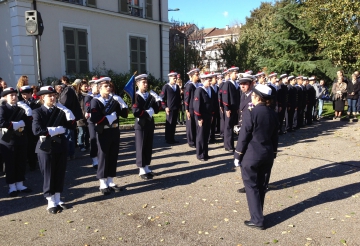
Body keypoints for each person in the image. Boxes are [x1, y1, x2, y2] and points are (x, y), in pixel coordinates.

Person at [234, 84, 278, 230]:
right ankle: (259, 214)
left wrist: (237, 154)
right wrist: (274, 152)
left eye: (253, 95)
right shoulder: (272, 113)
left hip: (251, 155)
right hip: (267, 154)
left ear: (257, 97)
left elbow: (244, 136)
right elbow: (275, 136)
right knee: (261, 186)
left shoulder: (251, 112)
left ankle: (257, 220)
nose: (251, 96)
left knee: (252, 186)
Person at [32, 86, 76, 214]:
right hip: (46, 148)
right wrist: (55, 130)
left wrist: (68, 112)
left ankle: (58, 199)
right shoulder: (38, 111)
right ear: (42, 98)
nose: (52, 98)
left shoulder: (60, 110)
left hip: (60, 146)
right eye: (49, 96)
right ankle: (50, 201)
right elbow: (36, 130)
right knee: (49, 174)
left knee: (59, 173)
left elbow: (72, 126)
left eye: (54, 95)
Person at [90, 77, 128, 195]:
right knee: (103, 156)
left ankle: (111, 181)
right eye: (106, 86)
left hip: (114, 131)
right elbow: (95, 118)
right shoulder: (95, 101)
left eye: (109, 86)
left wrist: (123, 104)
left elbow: (124, 115)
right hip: (104, 132)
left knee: (113, 155)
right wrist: (107, 118)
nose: (109, 88)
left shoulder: (114, 100)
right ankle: (102, 182)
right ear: (100, 88)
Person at [0, 87, 32, 197]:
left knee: (21, 162)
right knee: (10, 164)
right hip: (9, 141)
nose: (14, 97)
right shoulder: (3, 108)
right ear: (5, 97)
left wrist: (28, 115)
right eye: (11, 95)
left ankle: (20, 184)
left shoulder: (20, 108)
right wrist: (15, 124)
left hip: (21, 139)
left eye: (15, 95)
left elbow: (28, 122)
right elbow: (1, 122)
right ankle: (12, 186)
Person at [132, 74, 161, 180]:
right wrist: (148, 112)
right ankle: (141, 169)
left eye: (146, 82)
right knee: (141, 147)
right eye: (143, 82)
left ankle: (147, 167)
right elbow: (136, 111)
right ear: (137, 84)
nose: (146, 84)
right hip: (141, 125)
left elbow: (157, 109)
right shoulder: (135, 96)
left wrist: (157, 100)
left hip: (149, 124)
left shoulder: (149, 95)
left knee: (148, 146)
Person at [52, 79, 82, 160]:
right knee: (69, 135)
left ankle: (69, 154)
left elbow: (64, 103)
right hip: (68, 117)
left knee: (68, 136)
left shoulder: (67, 90)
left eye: (55, 89)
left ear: (58, 87)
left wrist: (56, 102)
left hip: (68, 117)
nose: (56, 91)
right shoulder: (66, 90)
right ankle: (70, 153)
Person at [19, 85, 41, 171]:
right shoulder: (20, 103)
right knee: (26, 146)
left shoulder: (36, 103)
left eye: (25, 94)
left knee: (33, 145)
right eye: (22, 94)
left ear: (30, 93)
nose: (24, 96)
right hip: (23, 127)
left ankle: (33, 163)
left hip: (33, 126)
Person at [193, 73, 214, 161]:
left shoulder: (210, 90)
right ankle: (200, 154)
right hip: (201, 117)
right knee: (200, 136)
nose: (210, 82)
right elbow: (196, 105)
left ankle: (205, 153)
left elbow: (212, 103)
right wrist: (199, 117)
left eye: (210, 80)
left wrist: (212, 114)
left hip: (208, 116)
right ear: (203, 80)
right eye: (208, 80)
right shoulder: (199, 90)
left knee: (206, 135)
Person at [222, 66, 240, 152]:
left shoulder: (236, 84)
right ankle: (228, 145)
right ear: (229, 73)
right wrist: (226, 108)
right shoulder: (227, 84)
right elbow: (225, 97)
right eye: (234, 73)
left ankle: (231, 144)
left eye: (237, 73)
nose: (236, 74)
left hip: (235, 108)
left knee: (232, 126)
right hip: (229, 108)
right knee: (228, 127)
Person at [161, 71, 181, 144]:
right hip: (169, 109)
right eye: (173, 78)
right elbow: (162, 98)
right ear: (169, 78)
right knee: (169, 124)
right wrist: (165, 107)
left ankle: (172, 138)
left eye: (175, 78)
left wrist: (179, 106)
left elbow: (179, 98)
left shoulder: (177, 87)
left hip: (176, 108)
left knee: (174, 124)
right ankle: (168, 139)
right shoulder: (166, 87)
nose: (175, 79)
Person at [84, 76, 100, 169]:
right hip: (92, 121)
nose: (98, 88)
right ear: (91, 87)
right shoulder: (88, 97)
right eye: (96, 86)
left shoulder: (101, 96)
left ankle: (101, 157)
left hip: (101, 120)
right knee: (93, 139)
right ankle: (94, 159)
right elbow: (88, 108)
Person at [184, 68, 200, 148]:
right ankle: (191, 141)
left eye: (198, 74)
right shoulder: (189, 85)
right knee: (190, 125)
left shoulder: (198, 85)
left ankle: (195, 140)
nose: (198, 76)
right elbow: (186, 98)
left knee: (195, 125)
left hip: (196, 108)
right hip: (190, 108)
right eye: (196, 75)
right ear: (192, 76)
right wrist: (186, 110)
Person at [76, 80, 90, 151]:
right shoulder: (78, 95)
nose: (86, 87)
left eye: (87, 86)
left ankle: (87, 145)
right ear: (80, 87)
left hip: (88, 116)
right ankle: (81, 145)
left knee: (87, 133)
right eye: (85, 86)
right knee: (81, 132)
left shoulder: (89, 95)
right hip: (80, 117)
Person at [209, 73, 219, 143]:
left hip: (216, 107)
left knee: (214, 122)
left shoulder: (217, 87)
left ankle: (213, 136)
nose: (216, 79)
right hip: (210, 108)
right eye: (215, 78)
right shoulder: (209, 88)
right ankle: (209, 137)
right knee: (210, 122)